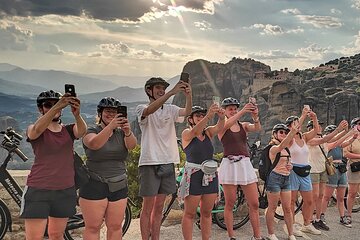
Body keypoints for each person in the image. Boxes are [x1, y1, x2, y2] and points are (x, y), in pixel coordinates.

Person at [21, 90, 87, 239]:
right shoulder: (35, 128)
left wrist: (77, 114)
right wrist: (57, 106)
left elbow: (82, 131)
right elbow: (35, 132)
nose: (52, 107)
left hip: (64, 190)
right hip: (39, 190)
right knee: (34, 237)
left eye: (55, 103)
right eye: (47, 105)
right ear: (40, 108)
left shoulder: (68, 130)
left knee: (56, 235)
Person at [136, 77, 192, 240]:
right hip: (149, 162)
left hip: (168, 160)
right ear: (149, 90)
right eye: (158, 88)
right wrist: (172, 93)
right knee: (147, 207)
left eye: (163, 88)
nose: (162, 90)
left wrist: (189, 95)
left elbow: (187, 112)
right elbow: (148, 112)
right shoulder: (142, 108)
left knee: (159, 207)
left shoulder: (170, 109)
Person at [79, 97, 137, 239]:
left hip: (118, 185)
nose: (111, 114)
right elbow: (93, 144)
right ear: (100, 113)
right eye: (108, 111)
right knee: (93, 227)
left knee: (116, 226)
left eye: (114, 112)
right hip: (94, 184)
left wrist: (128, 131)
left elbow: (132, 146)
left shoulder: (121, 133)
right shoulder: (91, 130)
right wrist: (110, 127)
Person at [218, 97, 263, 240]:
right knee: (230, 202)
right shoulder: (222, 125)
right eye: (230, 109)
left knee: (254, 203)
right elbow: (227, 124)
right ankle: (231, 236)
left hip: (244, 164)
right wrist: (243, 110)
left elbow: (257, 128)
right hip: (229, 165)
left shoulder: (243, 125)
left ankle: (257, 236)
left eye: (235, 108)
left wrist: (255, 117)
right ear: (224, 111)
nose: (233, 111)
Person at [179, 104, 225, 240]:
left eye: (202, 115)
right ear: (190, 119)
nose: (200, 117)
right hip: (194, 176)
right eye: (197, 115)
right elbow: (194, 132)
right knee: (189, 213)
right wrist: (209, 116)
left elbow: (220, 127)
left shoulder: (208, 132)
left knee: (207, 212)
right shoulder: (187, 134)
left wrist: (222, 117)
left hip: (210, 175)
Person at [306, 119, 348, 231]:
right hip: (313, 171)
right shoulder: (309, 139)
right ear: (311, 129)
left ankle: (318, 220)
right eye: (317, 126)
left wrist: (346, 131)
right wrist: (339, 129)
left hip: (322, 171)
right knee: (314, 197)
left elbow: (335, 141)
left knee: (320, 196)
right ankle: (309, 221)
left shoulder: (323, 141)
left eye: (320, 126)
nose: (320, 128)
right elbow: (327, 138)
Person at [285, 107, 321, 237]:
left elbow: (317, 131)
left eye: (297, 122)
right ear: (289, 127)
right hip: (293, 171)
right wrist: (303, 115)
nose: (297, 125)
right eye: (294, 123)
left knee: (309, 200)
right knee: (292, 200)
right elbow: (294, 130)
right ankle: (293, 225)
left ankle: (307, 224)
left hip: (305, 170)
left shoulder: (304, 137)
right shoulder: (289, 139)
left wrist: (314, 118)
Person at [265, 123, 299, 240]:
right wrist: (292, 132)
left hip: (286, 178)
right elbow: (281, 146)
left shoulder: (286, 149)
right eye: (281, 132)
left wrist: (290, 166)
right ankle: (271, 233)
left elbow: (287, 162)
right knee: (272, 207)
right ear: (274, 134)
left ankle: (291, 234)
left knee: (288, 208)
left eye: (285, 132)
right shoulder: (273, 148)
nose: (283, 134)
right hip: (274, 178)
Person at [320, 124, 358, 228]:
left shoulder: (338, 145)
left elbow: (345, 143)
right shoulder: (327, 143)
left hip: (341, 168)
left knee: (341, 197)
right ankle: (321, 216)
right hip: (332, 168)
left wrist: (353, 138)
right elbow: (339, 142)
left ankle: (342, 217)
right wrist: (349, 132)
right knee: (327, 196)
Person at [344, 117, 360, 226]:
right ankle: (348, 215)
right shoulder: (350, 138)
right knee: (352, 192)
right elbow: (346, 153)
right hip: (354, 167)